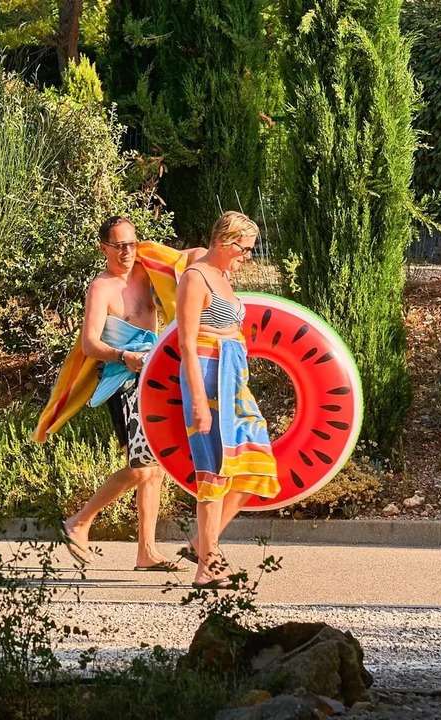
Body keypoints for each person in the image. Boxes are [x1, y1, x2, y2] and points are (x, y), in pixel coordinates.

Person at [60, 216, 205, 571]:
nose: (127, 251)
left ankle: (146, 552)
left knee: (154, 469)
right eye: (119, 245)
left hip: (153, 378)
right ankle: (79, 521)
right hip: (122, 381)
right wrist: (124, 355)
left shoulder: (148, 268)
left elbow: (198, 255)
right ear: (104, 248)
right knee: (142, 468)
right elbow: (90, 344)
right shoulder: (101, 287)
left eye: (131, 243)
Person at [176, 211, 279, 589]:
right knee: (214, 472)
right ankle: (206, 565)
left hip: (232, 379)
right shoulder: (196, 278)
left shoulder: (223, 275)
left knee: (256, 466)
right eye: (245, 248)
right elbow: (186, 343)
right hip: (206, 375)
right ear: (225, 241)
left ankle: (200, 543)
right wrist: (200, 403)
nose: (249, 256)